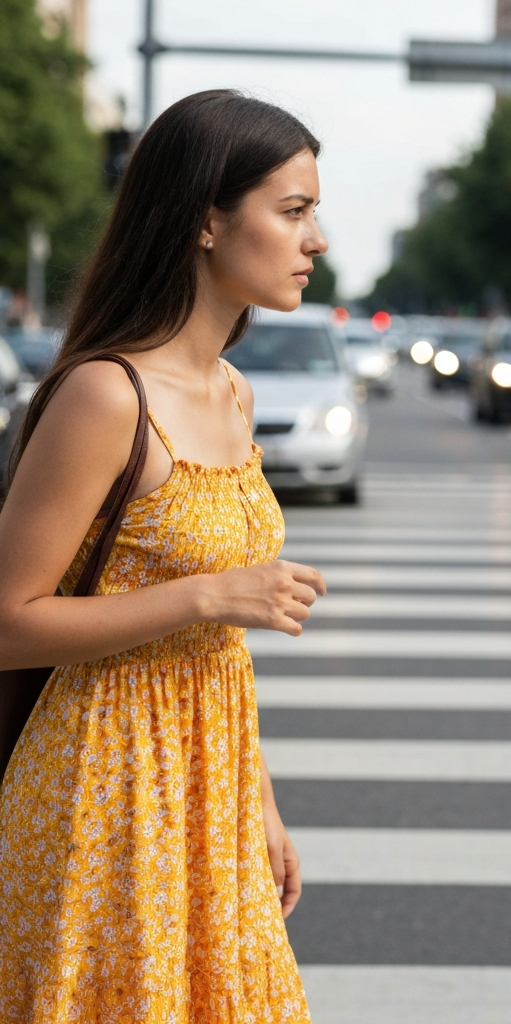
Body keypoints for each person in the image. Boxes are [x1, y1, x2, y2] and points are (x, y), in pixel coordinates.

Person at [0, 90, 328, 1020]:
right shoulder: (109, 397)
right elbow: (6, 621)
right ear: (207, 223)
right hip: (101, 796)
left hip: (208, 794)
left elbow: (217, 657)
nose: (317, 241)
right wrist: (210, 595)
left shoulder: (233, 392)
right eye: (294, 211)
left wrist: (257, 804)